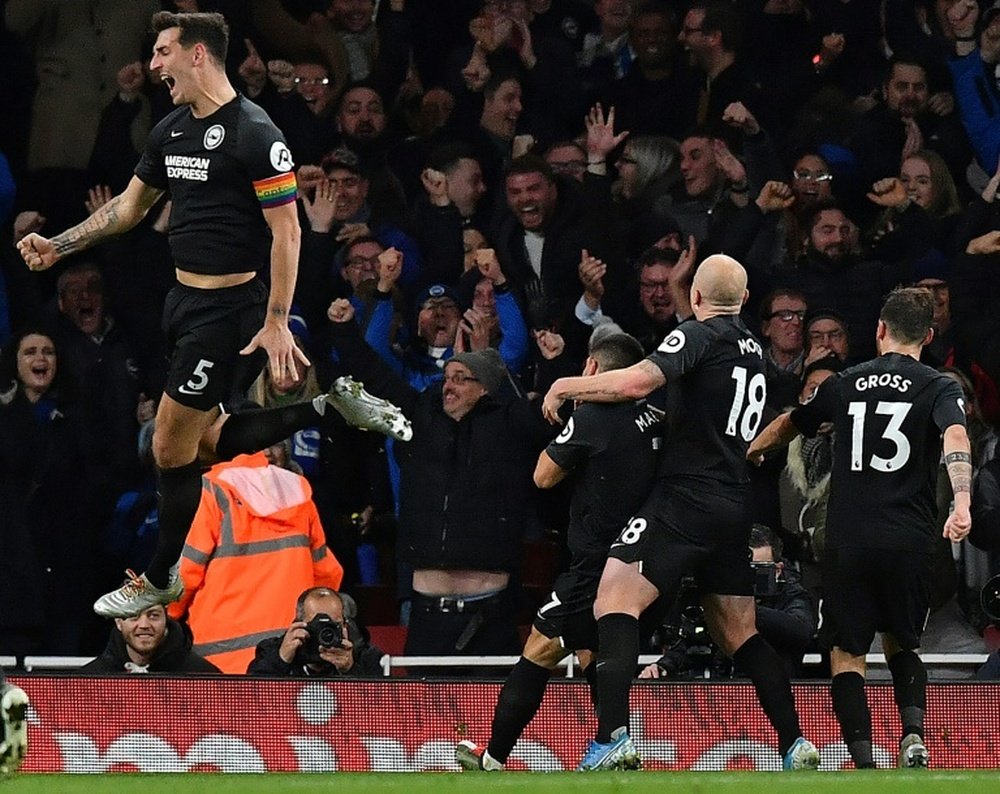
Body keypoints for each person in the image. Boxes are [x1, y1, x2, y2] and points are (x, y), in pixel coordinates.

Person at [15, 11, 409, 619]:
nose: (153, 66)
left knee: (169, 449)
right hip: (184, 303)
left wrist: (277, 319)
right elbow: (127, 210)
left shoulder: (256, 133)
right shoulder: (170, 130)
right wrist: (59, 245)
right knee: (204, 443)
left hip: (230, 309)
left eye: (163, 53)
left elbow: (287, 232)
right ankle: (333, 405)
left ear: (198, 55)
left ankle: (160, 575)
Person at [541, 254, 819, 771]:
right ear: (743, 298)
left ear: (695, 299)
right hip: (735, 501)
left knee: (614, 602)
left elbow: (635, 383)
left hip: (685, 499)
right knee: (739, 632)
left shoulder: (697, 335)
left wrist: (566, 385)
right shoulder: (754, 349)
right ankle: (794, 743)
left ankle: (612, 739)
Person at [748, 286, 973, 769]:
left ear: (879, 330)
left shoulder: (844, 382)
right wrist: (962, 501)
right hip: (911, 539)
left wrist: (749, 451)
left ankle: (864, 760)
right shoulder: (939, 386)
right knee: (902, 643)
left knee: (846, 654)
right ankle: (912, 734)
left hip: (848, 538)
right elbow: (956, 436)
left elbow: (791, 423)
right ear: (929, 335)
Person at [456, 327, 664, 771]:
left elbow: (543, 476)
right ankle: (616, 742)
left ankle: (492, 757)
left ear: (592, 369)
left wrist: (576, 418)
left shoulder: (592, 419)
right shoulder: (655, 415)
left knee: (539, 647)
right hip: (639, 555)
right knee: (591, 651)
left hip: (593, 561)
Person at [166, 450, 345, 674]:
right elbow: (327, 575)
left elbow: (184, 576)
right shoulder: (297, 491)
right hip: (288, 655)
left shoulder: (213, 490)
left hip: (220, 661)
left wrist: (163, 617)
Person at [247, 587, 384, 677]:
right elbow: (251, 699)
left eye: (332, 625)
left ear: (344, 625)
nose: (324, 634)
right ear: (298, 624)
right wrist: (281, 659)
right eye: (316, 625)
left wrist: (350, 669)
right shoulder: (273, 650)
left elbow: (380, 708)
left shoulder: (365, 656)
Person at [80, 604, 219, 674]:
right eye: (133, 615)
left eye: (153, 615)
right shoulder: (89, 680)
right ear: (118, 622)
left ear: (166, 619)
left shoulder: (205, 677)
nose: (144, 625)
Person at [0, 671, 28, 777]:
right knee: (9, 744)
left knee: (21, 745)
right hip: (6, 704)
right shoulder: (6, 704)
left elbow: (21, 717)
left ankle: (10, 767)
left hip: (11, 697)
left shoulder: (22, 699)